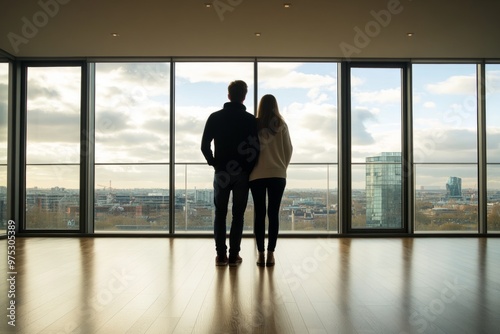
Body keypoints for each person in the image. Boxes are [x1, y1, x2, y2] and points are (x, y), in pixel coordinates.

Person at [201, 80, 259, 267]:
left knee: (220, 213)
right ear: (244, 97)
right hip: (242, 173)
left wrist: (214, 162)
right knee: (238, 215)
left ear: (228, 95)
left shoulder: (215, 117)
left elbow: (204, 145)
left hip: (222, 172)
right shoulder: (251, 120)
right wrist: (248, 167)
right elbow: (256, 148)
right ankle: (234, 256)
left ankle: (220, 256)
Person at [250, 94, 293, 267]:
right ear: (275, 105)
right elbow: (289, 149)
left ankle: (260, 254)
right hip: (278, 175)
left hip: (256, 175)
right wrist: (282, 166)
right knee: (273, 214)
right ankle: (271, 254)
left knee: (259, 215)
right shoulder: (281, 124)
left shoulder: (255, 124)